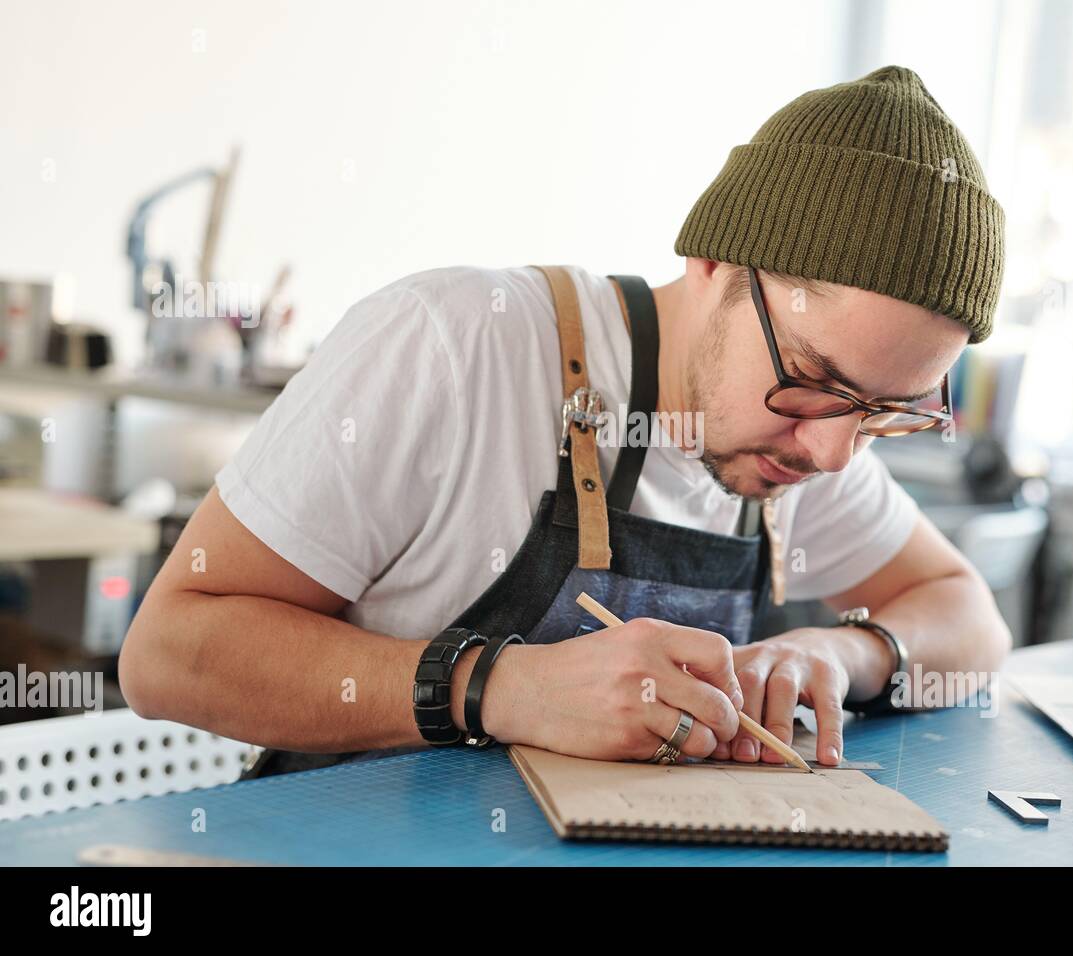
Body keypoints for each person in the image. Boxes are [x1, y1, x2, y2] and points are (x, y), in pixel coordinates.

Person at [120, 65, 1011, 776]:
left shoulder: (797, 442)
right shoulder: (458, 344)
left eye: (884, 413)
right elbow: (168, 652)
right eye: (814, 380)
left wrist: (843, 653)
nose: (831, 451)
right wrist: (500, 688)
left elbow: (972, 620)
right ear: (713, 260)